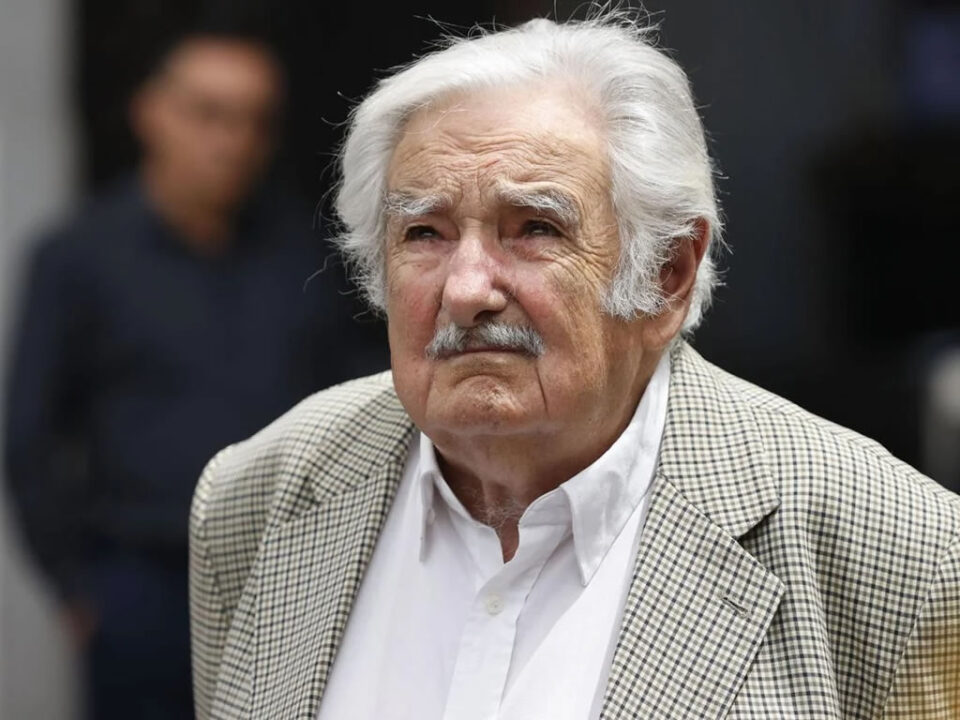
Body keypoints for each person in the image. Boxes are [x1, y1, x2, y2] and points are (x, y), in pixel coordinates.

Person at [188, 12, 960, 720]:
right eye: (424, 233)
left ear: (667, 273)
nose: (466, 290)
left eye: (534, 228)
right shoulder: (257, 498)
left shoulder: (897, 550)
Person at [4, 27, 385, 720]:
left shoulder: (304, 255)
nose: (232, 141)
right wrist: (75, 588)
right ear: (151, 111)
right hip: (139, 580)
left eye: (254, 121)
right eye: (209, 113)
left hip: (283, 569)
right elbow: (30, 433)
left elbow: (358, 399)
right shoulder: (79, 257)